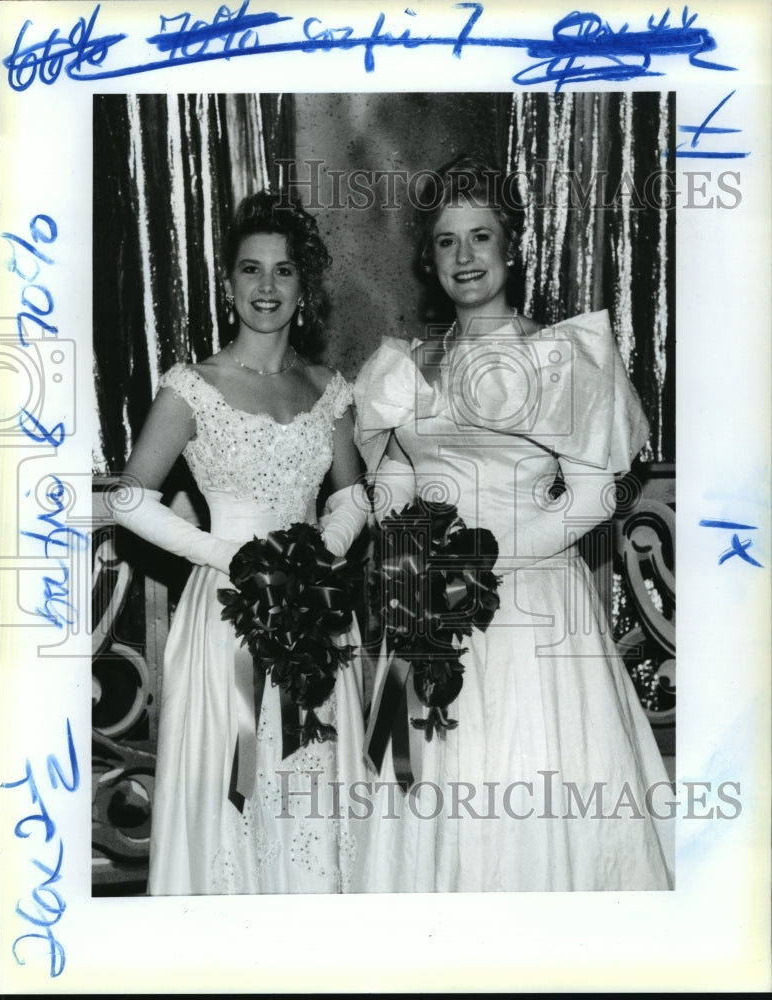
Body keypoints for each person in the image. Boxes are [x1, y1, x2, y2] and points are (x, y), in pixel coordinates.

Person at [353, 156, 675, 891]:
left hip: (531, 612)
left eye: (480, 236)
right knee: (433, 799)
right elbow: (399, 476)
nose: (464, 257)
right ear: (428, 259)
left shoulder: (556, 356)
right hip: (429, 614)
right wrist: (391, 545)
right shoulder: (408, 365)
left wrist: (478, 567)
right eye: (446, 241)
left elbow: (597, 492)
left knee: (526, 795)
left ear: (512, 248)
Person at [112, 191, 369, 894]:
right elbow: (129, 499)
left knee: (310, 779)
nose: (266, 287)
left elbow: (351, 494)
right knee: (237, 777)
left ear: (303, 287)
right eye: (251, 270)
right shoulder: (193, 387)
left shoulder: (329, 389)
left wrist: (324, 550)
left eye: (283, 271)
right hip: (227, 616)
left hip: (315, 616)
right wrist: (232, 558)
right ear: (229, 285)